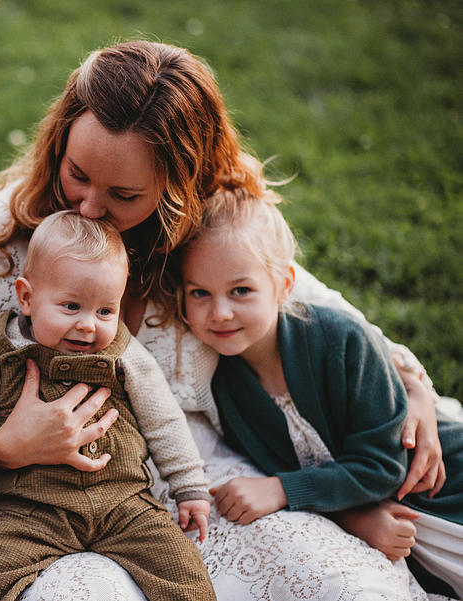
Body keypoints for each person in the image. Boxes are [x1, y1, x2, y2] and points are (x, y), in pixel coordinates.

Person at [0, 40, 459, 599]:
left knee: (339, 584)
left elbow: (316, 311)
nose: (88, 206)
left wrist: (412, 382)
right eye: (78, 173)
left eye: (124, 194)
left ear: (177, 188)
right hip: (34, 506)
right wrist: (4, 449)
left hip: (199, 490)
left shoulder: (203, 234)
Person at [179, 189, 463, 597]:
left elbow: (383, 464)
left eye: (241, 290)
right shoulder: (226, 385)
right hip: (407, 533)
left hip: (444, 494)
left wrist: (282, 489)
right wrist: (354, 518)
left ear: (283, 285)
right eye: (199, 293)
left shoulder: (337, 340)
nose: (220, 312)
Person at [0, 211, 214, 600]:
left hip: (124, 502)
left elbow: (164, 421)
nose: (88, 325)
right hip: (28, 509)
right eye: (71, 307)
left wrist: (190, 487)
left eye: (105, 311)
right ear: (26, 298)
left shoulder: (126, 355)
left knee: (182, 572)